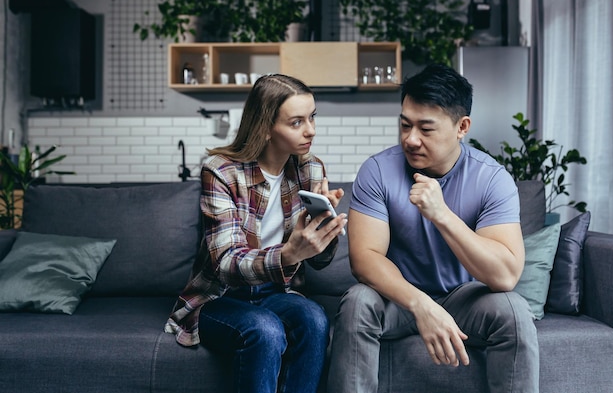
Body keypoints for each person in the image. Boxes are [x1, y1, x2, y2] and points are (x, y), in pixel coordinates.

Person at [327, 64, 539, 393]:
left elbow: (504, 276)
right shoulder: (378, 171)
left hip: (464, 300)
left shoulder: (491, 179)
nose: (411, 139)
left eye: (426, 129)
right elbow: (364, 259)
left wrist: (442, 215)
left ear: (461, 127)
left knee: (513, 309)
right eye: (405, 125)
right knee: (357, 301)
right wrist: (421, 305)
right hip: (397, 298)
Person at [165, 73, 347, 393]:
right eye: (296, 122)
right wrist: (289, 253)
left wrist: (325, 230)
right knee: (265, 330)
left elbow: (318, 262)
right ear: (265, 128)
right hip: (219, 297)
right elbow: (225, 264)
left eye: (312, 117)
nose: (311, 130)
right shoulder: (221, 171)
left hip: (276, 293)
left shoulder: (310, 169)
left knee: (315, 319)